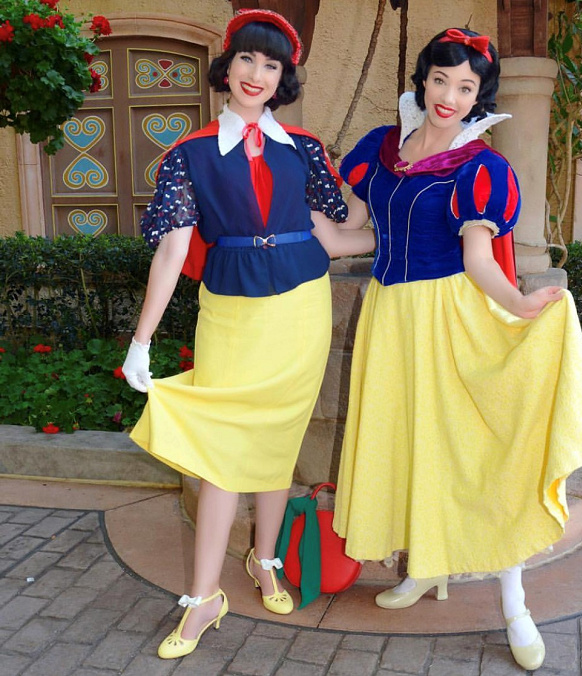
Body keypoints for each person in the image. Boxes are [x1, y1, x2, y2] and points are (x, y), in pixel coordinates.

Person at [332, 28, 582, 671]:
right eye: (440, 80)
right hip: (389, 319)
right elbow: (353, 236)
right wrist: (280, 215)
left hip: (450, 318)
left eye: (465, 87)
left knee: (477, 455)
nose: (449, 97)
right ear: (423, 80)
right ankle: (425, 567)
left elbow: (480, 260)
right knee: (409, 446)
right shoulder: (382, 150)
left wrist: (519, 304)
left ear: (479, 95)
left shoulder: (480, 167)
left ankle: (514, 604)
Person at [122, 9, 374, 660]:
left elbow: (334, 236)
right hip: (231, 314)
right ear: (226, 66)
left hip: (301, 308)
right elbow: (172, 251)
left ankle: (265, 562)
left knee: (278, 440)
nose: (257, 74)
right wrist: (141, 340)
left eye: (271, 64)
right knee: (222, 454)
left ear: (283, 77)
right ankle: (203, 597)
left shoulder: (306, 149)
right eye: (247, 59)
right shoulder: (188, 155)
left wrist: (408, 222)